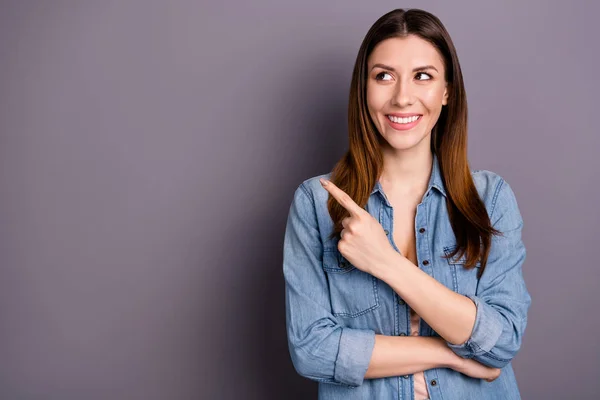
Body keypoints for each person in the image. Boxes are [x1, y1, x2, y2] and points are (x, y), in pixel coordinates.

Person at [282, 7, 531, 400]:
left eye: (423, 77)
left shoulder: (491, 199)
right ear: (364, 88)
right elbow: (312, 350)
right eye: (384, 76)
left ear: (447, 90)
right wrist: (449, 354)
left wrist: (387, 263)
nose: (402, 98)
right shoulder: (316, 203)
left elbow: (501, 342)